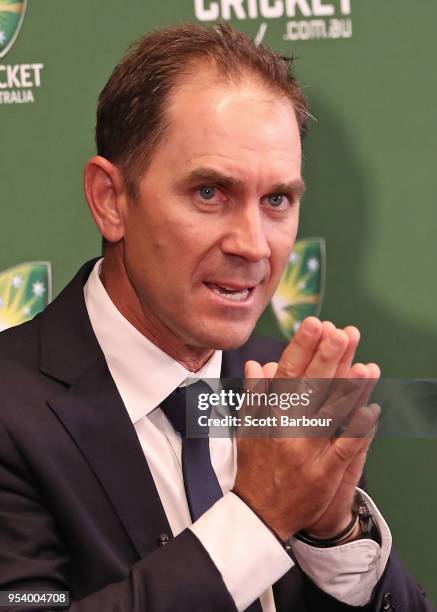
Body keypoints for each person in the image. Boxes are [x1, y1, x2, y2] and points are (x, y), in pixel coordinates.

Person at [0, 22, 433, 612]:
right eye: (210, 192)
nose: (254, 245)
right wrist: (259, 519)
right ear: (111, 199)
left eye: (277, 199)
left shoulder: (279, 378)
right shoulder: (12, 407)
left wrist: (332, 533)